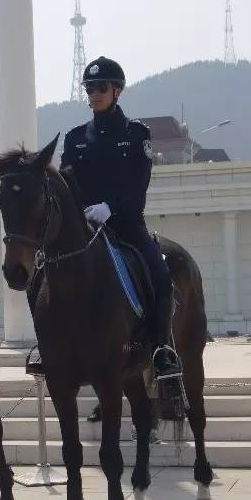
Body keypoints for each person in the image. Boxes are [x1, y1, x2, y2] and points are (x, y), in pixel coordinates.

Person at [60, 56, 180, 381]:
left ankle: (161, 348)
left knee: (159, 275)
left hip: (126, 226)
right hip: (86, 228)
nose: (94, 94)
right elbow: (65, 183)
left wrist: (110, 207)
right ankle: (54, 347)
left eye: (101, 88)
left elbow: (138, 182)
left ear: (117, 91)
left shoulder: (136, 133)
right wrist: (78, 209)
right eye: (90, 88)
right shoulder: (75, 138)